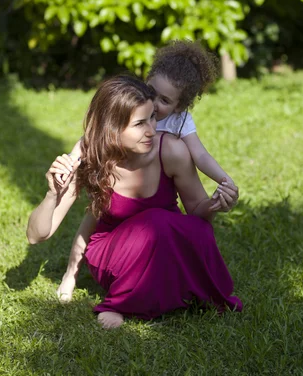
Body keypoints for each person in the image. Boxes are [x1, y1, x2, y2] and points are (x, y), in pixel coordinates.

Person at [26, 75, 242, 328]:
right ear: (113, 128)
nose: (152, 129)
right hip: (114, 255)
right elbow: (36, 235)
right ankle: (122, 302)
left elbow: (197, 212)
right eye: (140, 123)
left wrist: (216, 204)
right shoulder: (90, 157)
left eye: (152, 117)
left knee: (190, 230)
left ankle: (169, 291)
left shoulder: (171, 150)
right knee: (156, 222)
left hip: (164, 244)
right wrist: (52, 194)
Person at [55, 40, 239, 302]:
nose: (154, 104)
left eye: (164, 101)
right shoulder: (132, 107)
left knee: (178, 229)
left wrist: (223, 182)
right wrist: (74, 159)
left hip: (156, 203)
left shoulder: (179, 125)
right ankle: (72, 274)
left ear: (179, 107)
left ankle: (172, 288)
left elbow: (200, 155)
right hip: (116, 190)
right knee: (93, 216)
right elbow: (91, 138)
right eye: (151, 91)